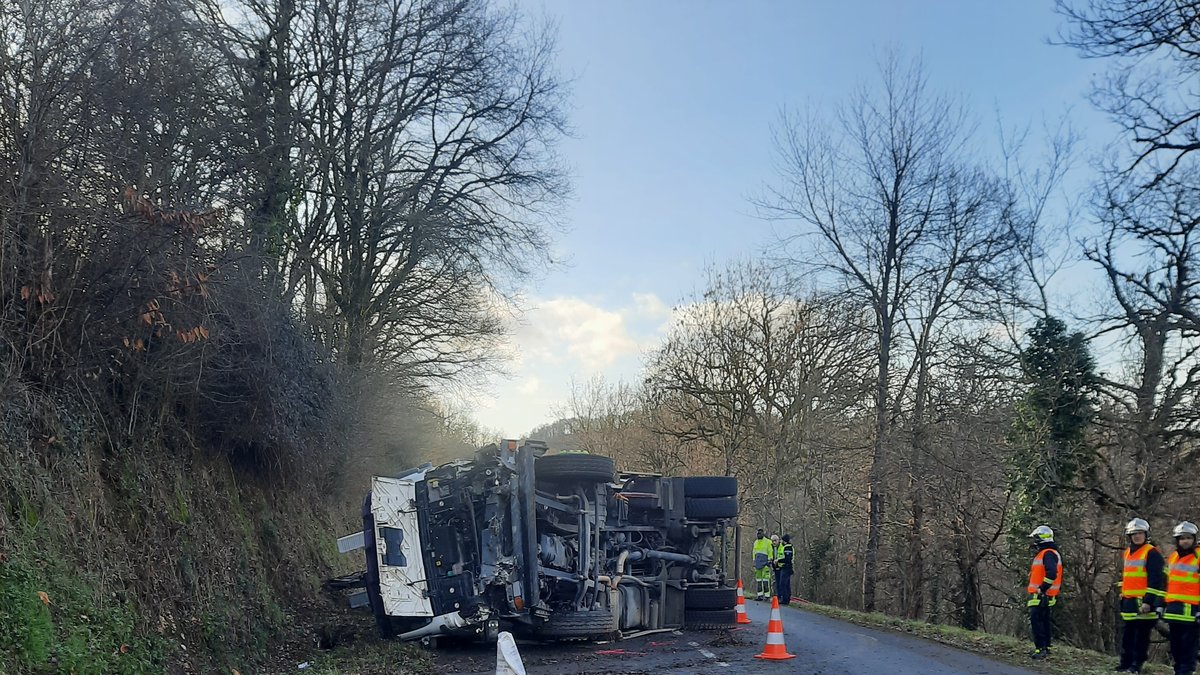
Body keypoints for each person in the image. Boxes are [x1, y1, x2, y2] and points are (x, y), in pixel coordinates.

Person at [1118, 518, 1167, 673]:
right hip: (1129, 602)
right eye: (1134, 534)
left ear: (1146, 534)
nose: (1137, 536)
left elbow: (1156, 580)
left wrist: (1149, 601)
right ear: (1129, 536)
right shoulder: (1128, 553)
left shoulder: (1151, 553)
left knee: (1140, 638)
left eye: (1140, 533)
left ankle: (1136, 665)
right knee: (1127, 636)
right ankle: (1125, 663)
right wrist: (1123, 594)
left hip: (1144, 604)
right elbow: (1129, 577)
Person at [1164, 521, 1199, 675]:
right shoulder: (1173, 557)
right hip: (1173, 609)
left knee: (1188, 646)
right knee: (1175, 646)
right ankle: (1178, 670)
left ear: (1194, 539)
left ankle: (1186, 671)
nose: (1185, 541)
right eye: (1182, 538)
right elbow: (1167, 582)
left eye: (1188, 538)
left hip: (1192, 610)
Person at [1025, 525, 1062, 660]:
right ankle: (1045, 647)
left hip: (1041, 595)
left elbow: (1051, 573)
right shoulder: (1049, 553)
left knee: (1037, 622)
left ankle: (1041, 649)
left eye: (1036, 538)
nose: (1034, 541)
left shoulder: (1048, 553)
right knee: (1043, 621)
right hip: (1045, 595)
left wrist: (1042, 588)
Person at [774, 534, 795, 605]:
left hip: (786, 567)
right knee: (786, 584)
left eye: (782, 540)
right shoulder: (786, 547)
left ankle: (785, 599)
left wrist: (778, 560)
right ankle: (786, 599)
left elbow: (787, 559)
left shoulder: (788, 548)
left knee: (783, 583)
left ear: (784, 541)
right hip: (785, 567)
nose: (781, 541)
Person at [752, 529, 773, 600]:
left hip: (765, 563)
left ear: (763, 534)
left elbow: (770, 551)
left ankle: (767, 596)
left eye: (760, 533)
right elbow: (754, 552)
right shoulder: (755, 542)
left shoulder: (768, 542)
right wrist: (754, 561)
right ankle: (760, 595)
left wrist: (770, 560)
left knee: (765, 580)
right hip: (758, 563)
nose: (758, 535)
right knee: (758, 580)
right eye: (758, 533)